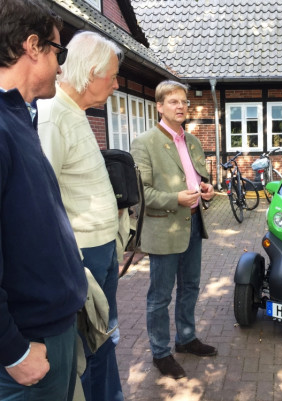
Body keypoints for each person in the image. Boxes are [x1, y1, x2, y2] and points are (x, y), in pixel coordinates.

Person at [0, 1, 88, 400]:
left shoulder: (19, 118)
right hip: (29, 343)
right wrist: (14, 351)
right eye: (59, 52)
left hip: (51, 328)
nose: (61, 67)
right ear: (32, 46)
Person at [37, 31, 125, 401]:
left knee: (104, 340)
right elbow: (44, 200)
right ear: (91, 74)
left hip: (101, 252)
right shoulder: (53, 115)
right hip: (83, 257)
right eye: (113, 76)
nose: (117, 84)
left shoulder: (75, 112)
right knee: (89, 349)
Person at [131, 80, 216, 379]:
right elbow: (142, 195)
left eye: (184, 102)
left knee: (191, 287)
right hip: (164, 228)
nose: (180, 107)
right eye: (173, 102)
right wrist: (175, 199)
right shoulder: (144, 143)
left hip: (193, 223)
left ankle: (186, 338)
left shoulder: (192, 141)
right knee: (160, 296)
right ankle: (161, 352)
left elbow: (199, 177)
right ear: (159, 106)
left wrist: (206, 188)